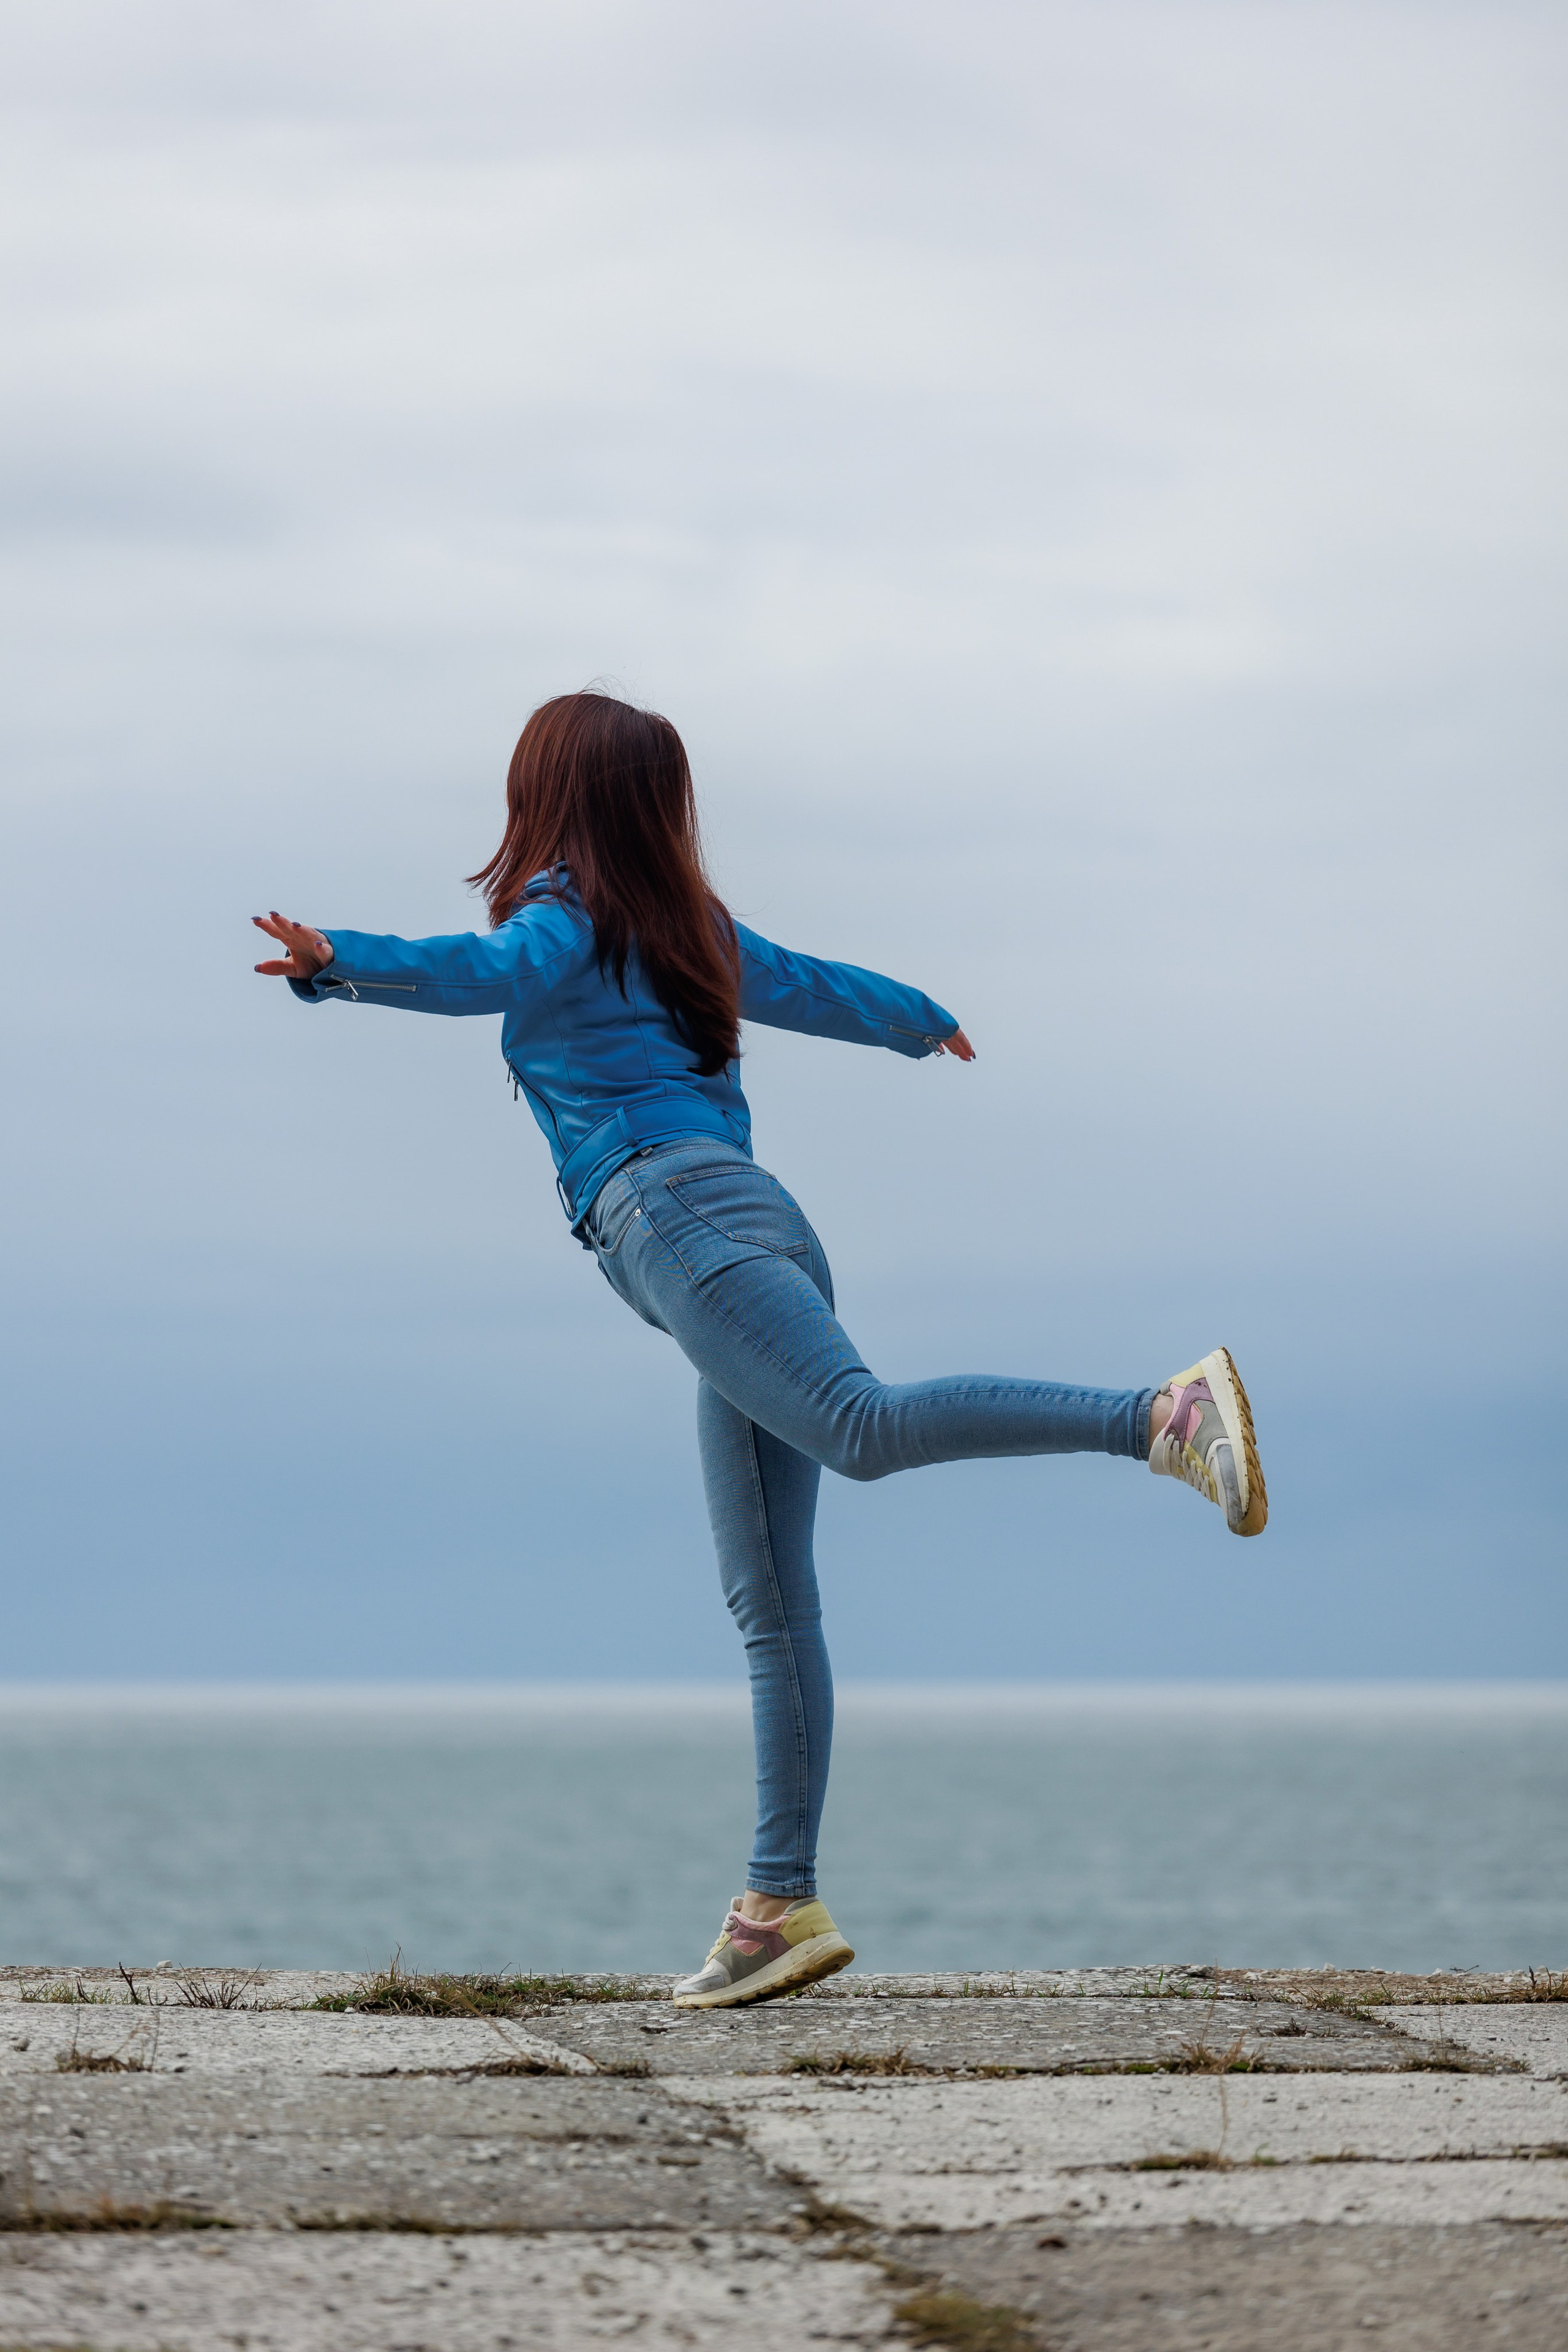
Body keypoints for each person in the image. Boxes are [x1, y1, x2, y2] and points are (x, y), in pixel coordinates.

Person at [254, 690, 1266, 2008]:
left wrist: (342, 957)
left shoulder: (561, 920)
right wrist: (916, 1013)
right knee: (771, 1605)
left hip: (680, 1220)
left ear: (543, 797)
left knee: (858, 1428)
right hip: (750, 1224)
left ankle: (1156, 1414)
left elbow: (479, 972)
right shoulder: (692, 932)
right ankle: (775, 1909)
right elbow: (819, 989)